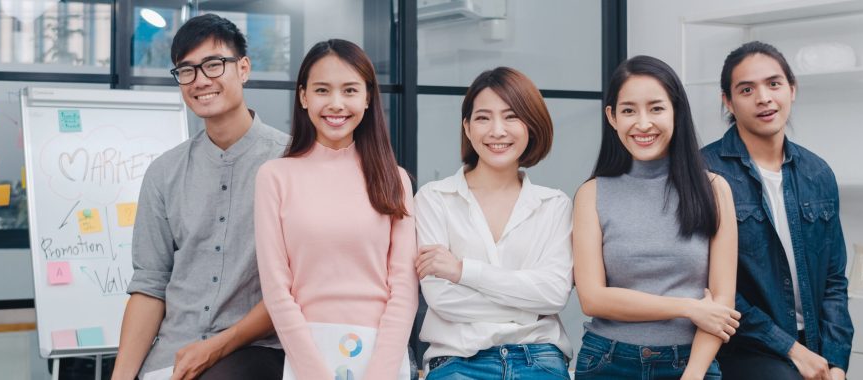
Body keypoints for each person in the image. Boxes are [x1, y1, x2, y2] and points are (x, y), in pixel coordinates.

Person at [113, 13, 287, 380]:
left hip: (257, 352)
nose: (200, 80)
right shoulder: (164, 172)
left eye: (213, 65)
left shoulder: (290, 162)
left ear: (243, 68)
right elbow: (150, 286)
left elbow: (298, 285)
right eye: (187, 70)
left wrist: (214, 348)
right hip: (171, 354)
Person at [254, 39, 417, 380]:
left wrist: (380, 373)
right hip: (308, 353)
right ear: (303, 97)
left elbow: (403, 289)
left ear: (368, 97)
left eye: (350, 90)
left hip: (382, 356)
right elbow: (276, 289)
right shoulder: (275, 176)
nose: (336, 104)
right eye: (323, 90)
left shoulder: (395, 179)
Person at [573, 55, 739, 380]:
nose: (643, 123)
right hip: (608, 361)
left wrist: (693, 375)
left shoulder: (715, 190)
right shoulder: (591, 194)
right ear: (612, 117)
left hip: (692, 362)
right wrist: (688, 307)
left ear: (676, 110)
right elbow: (593, 298)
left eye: (656, 108)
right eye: (629, 110)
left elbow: (720, 305)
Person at [701, 41, 854, 380]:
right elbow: (705, 284)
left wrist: (837, 362)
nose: (764, 98)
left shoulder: (818, 173)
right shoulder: (704, 172)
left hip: (813, 341)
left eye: (774, 84)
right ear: (727, 100)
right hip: (742, 346)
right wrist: (790, 349)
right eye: (746, 89)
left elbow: (834, 281)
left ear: (792, 89)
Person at [415, 67, 574, 379]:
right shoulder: (435, 198)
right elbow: (442, 299)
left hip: (539, 357)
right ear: (467, 126)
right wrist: (530, 307)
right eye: (483, 117)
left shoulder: (554, 204)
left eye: (511, 116)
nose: (497, 130)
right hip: (458, 361)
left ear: (531, 125)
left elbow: (554, 294)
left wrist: (463, 272)